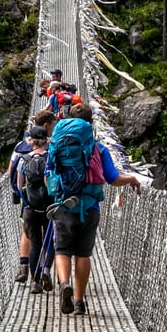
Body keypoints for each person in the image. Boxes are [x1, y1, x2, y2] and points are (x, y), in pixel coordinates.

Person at [51, 103, 140, 317]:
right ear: (91, 124)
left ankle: (64, 285)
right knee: (83, 254)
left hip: (64, 206)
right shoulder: (99, 148)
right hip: (90, 208)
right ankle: (80, 302)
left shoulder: (57, 144)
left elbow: (50, 173)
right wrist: (132, 178)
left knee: (62, 251)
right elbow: (113, 178)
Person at [9, 109, 56, 281]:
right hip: (49, 203)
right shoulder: (52, 151)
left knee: (29, 234)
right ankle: (45, 269)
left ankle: (25, 269)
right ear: (46, 127)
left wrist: (19, 194)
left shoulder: (20, 148)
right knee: (48, 235)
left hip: (29, 201)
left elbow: (12, 173)